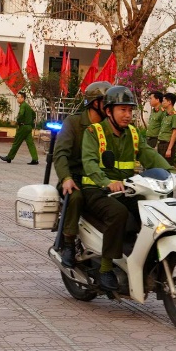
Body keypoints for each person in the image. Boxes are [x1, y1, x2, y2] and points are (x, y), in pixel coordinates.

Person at [80, 85, 172, 295]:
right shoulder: (94, 132)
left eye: (130, 110)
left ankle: (146, 263)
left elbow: (149, 154)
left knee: (153, 210)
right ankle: (105, 269)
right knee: (118, 213)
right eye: (123, 110)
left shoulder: (133, 132)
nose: (128, 115)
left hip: (125, 190)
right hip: (95, 189)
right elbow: (90, 162)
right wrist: (105, 181)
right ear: (109, 111)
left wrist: (172, 172)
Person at [51, 81, 111, 267]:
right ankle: (69, 243)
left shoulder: (108, 126)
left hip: (99, 179)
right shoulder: (74, 122)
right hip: (74, 178)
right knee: (75, 197)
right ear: (95, 103)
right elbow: (60, 154)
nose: (110, 107)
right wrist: (66, 178)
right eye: (106, 102)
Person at [1, 90, 39, 164]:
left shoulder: (23, 106)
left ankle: (9, 157)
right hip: (28, 127)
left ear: (23, 98)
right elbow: (34, 114)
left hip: (23, 127)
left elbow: (21, 114)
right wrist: (29, 121)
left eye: (18, 97)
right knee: (30, 143)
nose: (17, 99)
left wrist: (18, 121)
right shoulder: (27, 106)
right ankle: (35, 159)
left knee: (16, 142)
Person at [159, 93, 176, 161]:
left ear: (169, 102)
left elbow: (175, 133)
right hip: (161, 144)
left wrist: (169, 149)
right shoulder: (165, 115)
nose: (162, 102)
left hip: (167, 145)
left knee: (166, 168)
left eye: (163, 101)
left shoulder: (175, 116)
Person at [145, 91, 166, 155]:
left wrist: (157, 144)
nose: (149, 101)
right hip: (149, 139)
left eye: (151, 98)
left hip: (155, 140)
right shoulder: (154, 111)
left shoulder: (163, 112)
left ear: (157, 100)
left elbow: (163, 128)